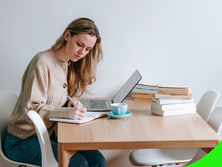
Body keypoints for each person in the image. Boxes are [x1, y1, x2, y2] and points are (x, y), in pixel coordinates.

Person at [4, 17, 106, 167]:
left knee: (98, 160)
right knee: (79, 164)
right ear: (67, 36)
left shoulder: (67, 64)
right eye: (80, 44)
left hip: (47, 135)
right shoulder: (42, 62)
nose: (82, 52)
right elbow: (31, 109)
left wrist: (69, 104)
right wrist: (66, 113)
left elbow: (54, 98)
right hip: (22, 140)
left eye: (88, 49)